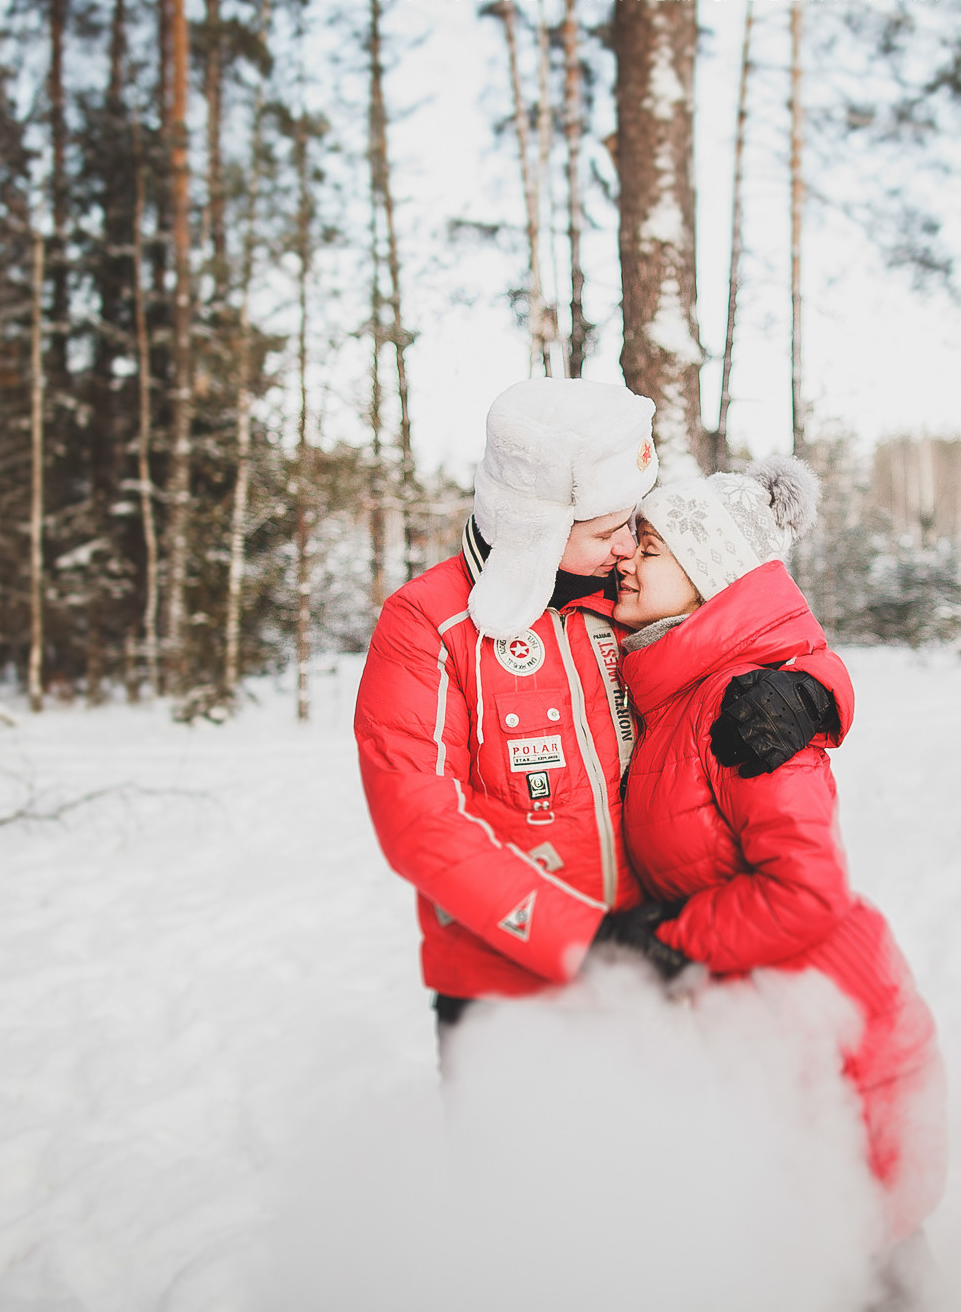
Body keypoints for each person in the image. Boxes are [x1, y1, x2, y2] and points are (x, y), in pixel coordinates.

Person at [352, 379, 844, 1044]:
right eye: (610, 529)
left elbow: (748, 627)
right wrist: (583, 940)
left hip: (647, 966)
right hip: (506, 992)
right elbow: (422, 822)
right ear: (539, 527)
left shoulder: (624, 601)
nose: (627, 547)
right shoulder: (429, 624)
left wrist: (812, 689)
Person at [610, 455, 948, 1257]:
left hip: (831, 1036)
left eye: (650, 547)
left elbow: (806, 890)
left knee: (865, 1265)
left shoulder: (744, 708)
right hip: (775, 1031)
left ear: (706, 574)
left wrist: (668, 940)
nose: (625, 555)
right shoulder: (673, 687)